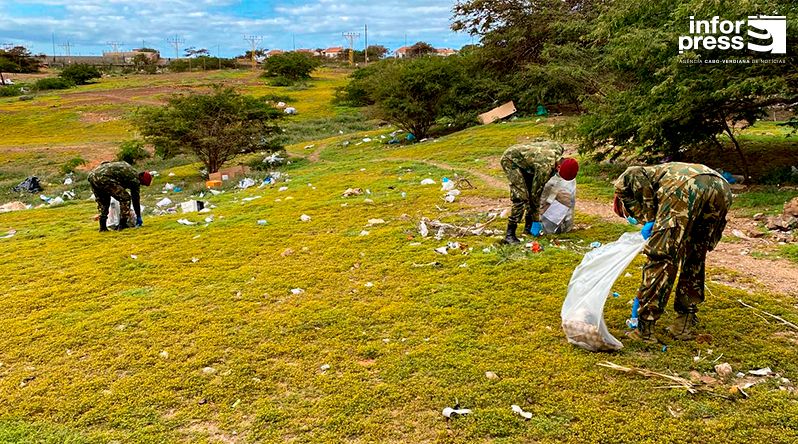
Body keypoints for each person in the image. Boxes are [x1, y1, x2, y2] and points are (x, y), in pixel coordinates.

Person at [613, 162, 732, 342]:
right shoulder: (658, 174)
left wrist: (650, 216)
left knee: (660, 257)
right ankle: (683, 325)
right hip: (721, 188)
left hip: (683, 189)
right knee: (695, 256)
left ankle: (645, 330)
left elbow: (633, 172)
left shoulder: (624, 186)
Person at [500, 141, 579, 244]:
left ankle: (528, 227)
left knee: (529, 189)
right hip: (511, 160)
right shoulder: (545, 168)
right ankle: (510, 234)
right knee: (521, 196)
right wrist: (536, 220)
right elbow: (535, 195)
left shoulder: (558, 148)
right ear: (558, 167)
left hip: (528, 162)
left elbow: (540, 141)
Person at [87, 161, 152, 232]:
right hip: (104, 177)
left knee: (104, 202)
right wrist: (138, 216)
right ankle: (122, 225)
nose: (140, 185)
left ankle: (102, 227)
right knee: (125, 198)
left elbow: (106, 164)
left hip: (92, 176)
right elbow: (135, 199)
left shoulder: (128, 169)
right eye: (142, 184)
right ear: (141, 178)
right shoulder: (135, 179)